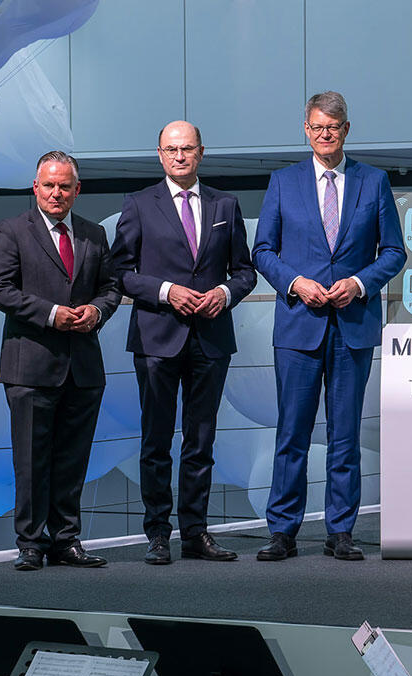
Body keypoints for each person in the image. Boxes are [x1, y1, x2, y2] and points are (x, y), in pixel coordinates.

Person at [252, 90, 406, 561]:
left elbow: (395, 253)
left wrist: (358, 284)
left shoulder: (373, 181)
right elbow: (263, 251)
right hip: (300, 326)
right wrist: (296, 282)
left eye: (333, 129)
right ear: (306, 128)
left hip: (352, 326)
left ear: (346, 131)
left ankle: (341, 531)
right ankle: (283, 531)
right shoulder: (283, 182)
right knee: (292, 433)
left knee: (345, 435)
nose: (325, 135)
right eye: (317, 128)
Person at [111, 121, 257, 565]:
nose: (179, 156)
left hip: (210, 338)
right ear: (159, 154)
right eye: (171, 149)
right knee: (156, 442)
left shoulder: (225, 205)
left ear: (201, 153)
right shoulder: (138, 205)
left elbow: (245, 272)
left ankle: (195, 532)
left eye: (187, 149)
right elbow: (120, 273)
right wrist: (165, 291)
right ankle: (158, 534)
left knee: (201, 441)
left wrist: (225, 293)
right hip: (157, 337)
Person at [0, 151, 121, 571]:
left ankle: (66, 541)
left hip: (82, 367)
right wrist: (50, 313)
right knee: (30, 462)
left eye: (65, 186)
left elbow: (111, 287)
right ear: (36, 188)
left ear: (77, 190)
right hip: (31, 366)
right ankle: (30, 543)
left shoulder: (94, 234)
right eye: (49, 185)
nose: (57, 192)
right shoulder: (13, 230)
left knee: (72, 460)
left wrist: (97, 311)